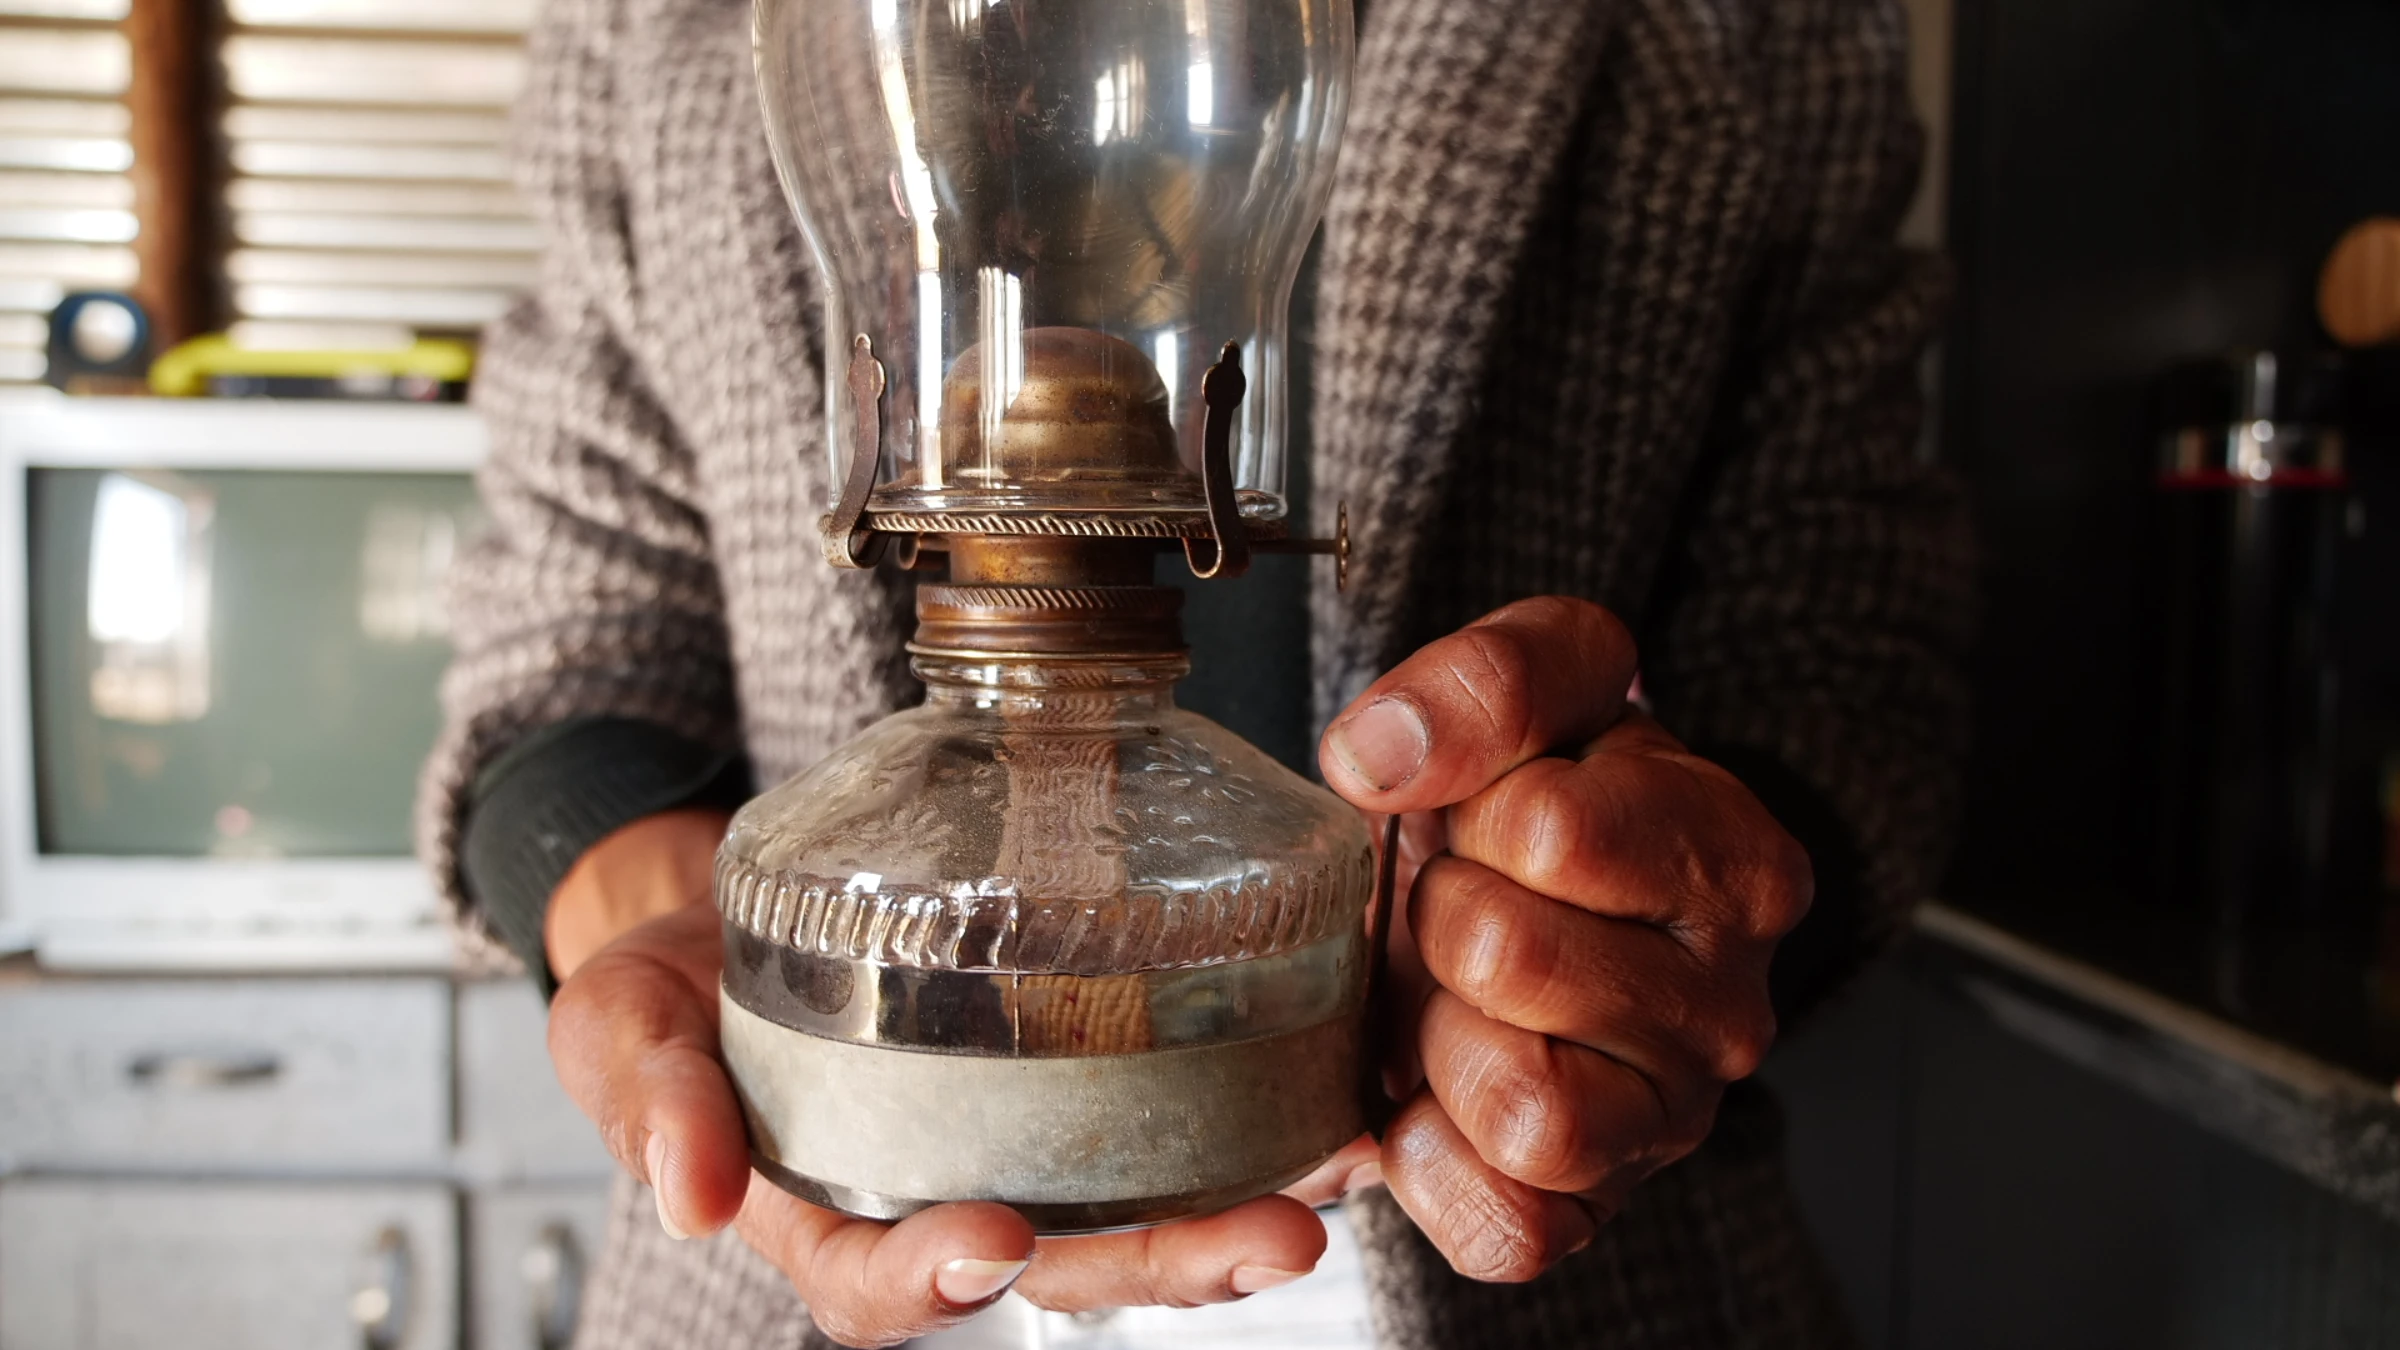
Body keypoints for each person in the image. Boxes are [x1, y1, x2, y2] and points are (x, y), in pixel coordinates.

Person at [419, 0, 1973, 1344]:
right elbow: (573, 644)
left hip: (1543, 1252)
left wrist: (1635, 901)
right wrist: (650, 911)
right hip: (795, 1243)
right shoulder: (641, 29)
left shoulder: (1767, 27)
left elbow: (1844, 640)